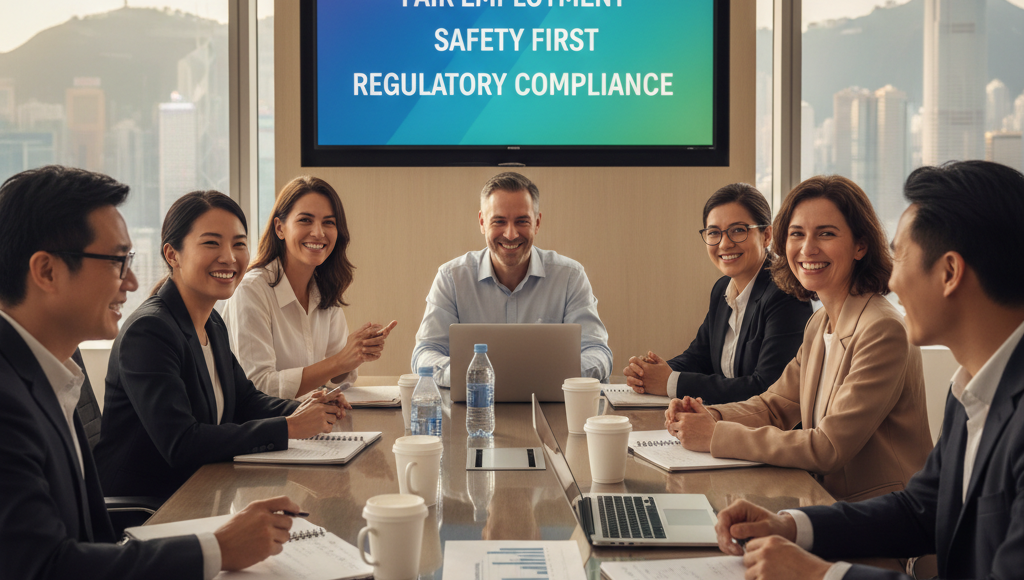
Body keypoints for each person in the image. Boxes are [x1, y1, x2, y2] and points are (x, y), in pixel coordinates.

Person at [715, 161, 1024, 580]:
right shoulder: (971, 390)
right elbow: (918, 510)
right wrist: (792, 527)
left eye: (901, 257)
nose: (894, 279)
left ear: (949, 272)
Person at [0, 166, 304, 580]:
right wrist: (216, 549)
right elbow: (45, 576)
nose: (133, 282)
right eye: (117, 262)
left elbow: (87, 543)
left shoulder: (55, 368)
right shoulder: (9, 396)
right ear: (47, 271)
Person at [667, 175, 932, 502]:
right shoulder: (821, 322)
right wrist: (707, 416)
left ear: (860, 245)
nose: (807, 248)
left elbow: (827, 447)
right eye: (797, 234)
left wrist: (715, 435)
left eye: (826, 234)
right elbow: (774, 406)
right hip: (822, 502)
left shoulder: (882, 328)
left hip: (881, 522)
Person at [95, 190, 343, 501]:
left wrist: (308, 409)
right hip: (151, 508)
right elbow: (182, 443)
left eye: (239, 244)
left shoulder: (211, 321)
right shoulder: (149, 331)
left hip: (204, 490)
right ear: (172, 254)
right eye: (212, 243)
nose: (229, 257)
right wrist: (289, 427)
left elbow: (245, 401)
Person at [411, 171, 613, 386]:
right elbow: (426, 352)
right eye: (499, 221)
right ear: (482, 222)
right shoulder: (451, 278)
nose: (510, 234)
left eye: (521, 221)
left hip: (553, 408)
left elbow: (597, 351)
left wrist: (554, 377)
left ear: (537, 222)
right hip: (473, 408)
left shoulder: (570, 276)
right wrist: (475, 377)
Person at [623, 182, 811, 401]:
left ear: (766, 235)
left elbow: (766, 387)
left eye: (738, 231)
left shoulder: (785, 294)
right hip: (725, 422)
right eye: (714, 233)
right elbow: (699, 357)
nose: (724, 244)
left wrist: (670, 382)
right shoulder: (722, 288)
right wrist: (649, 373)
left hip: (764, 432)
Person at [223, 175, 396, 399]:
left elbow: (338, 379)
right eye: (305, 220)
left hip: (310, 424)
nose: (318, 233)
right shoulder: (251, 290)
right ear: (280, 228)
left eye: (328, 222)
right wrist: (339, 361)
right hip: (267, 429)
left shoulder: (324, 288)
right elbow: (259, 387)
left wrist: (357, 353)